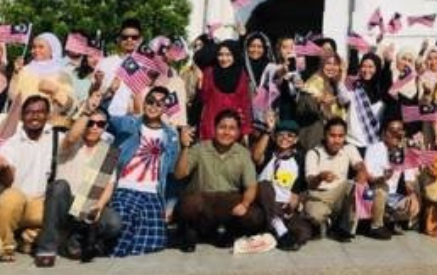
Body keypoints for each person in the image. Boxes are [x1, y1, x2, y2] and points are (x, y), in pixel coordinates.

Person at [34, 103, 121, 264]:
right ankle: (47, 249)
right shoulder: (70, 143)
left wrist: (100, 205)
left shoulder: (107, 151)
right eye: (90, 123)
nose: (94, 127)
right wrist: (87, 112)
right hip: (64, 203)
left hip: (87, 207)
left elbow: (109, 185)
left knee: (114, 222)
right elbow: (72, 136)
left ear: (105, 127)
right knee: (59, 186)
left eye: (100, 124)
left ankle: (76, 237)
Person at [174, 110, 265, 251]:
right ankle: (191, 232)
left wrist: (245, 204)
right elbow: (180, 174)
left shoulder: (243, 153)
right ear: (214, 128)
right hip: (202, 200)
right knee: (188, 204)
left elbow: (251, 186)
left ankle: (228, 232)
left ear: (238, 132)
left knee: (255, 216)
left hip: (228, 202)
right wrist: (185, 147)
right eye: (222, 127)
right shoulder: (200, 148)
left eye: (231, 128)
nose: (226, 132)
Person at [105, 85, 180, 257]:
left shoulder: (171, 136)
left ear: (165, 109)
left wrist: (170, 206)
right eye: (150, 101)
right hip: (125, 188)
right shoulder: (129, 123)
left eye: (160, 104)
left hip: (153, 192)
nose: (154, 106)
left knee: (153, 241)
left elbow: (171, 172)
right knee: (122, 228)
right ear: (144, 103)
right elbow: (111, 117)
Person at [0, 95, 55, 262]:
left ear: (47, 115)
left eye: (40, 112)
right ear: (22, 116)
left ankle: (28, 236)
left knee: (56, 208)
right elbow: (8, 181)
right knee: (10, 197)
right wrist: (4, 167)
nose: (35, 116)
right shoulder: (12, 143)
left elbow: (74, 139)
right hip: (17, 204)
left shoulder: (56, 137)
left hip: (40, 204)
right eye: (29, 112)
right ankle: (8, 246)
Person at [251, 117, 312, 251]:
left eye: (290, 135)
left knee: (304, 233)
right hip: (264, 205)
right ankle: (277, 226)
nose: (285, 138)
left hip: (284, 209)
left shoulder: (299, 159)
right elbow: (256, 157)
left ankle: (276, 234)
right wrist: (268, 131)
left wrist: (296, 201)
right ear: (274, 137)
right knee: (264, 185)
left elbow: (299, 188)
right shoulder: (268, 155)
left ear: (296, 140)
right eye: (281, 135)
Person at [304, 117, 366, 242]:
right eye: (332, 136)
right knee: (314, 215)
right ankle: (328, 222)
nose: (336, 140)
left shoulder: (349, 149)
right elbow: (310, 183)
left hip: (339, 194)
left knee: (354, 186)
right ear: (325, 135)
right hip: (319, 196)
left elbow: (360, 166)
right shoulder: (314, 153)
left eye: (340, 136)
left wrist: (361, 174)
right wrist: (321, 176)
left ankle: (344, 228)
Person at [364, 119, 421, 240]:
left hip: (392, 197)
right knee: (381, 189)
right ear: (384, 133)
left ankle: (387, 221)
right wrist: (382, 178)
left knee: (413, 205)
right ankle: (376, 226)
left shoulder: (405, 153)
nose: (396, 134)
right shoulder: (374, 148)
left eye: (399, 130)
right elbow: (367, 177)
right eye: (392, 131)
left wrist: (412, 194)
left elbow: (409, 181)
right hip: (373, 191)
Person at [6, 33, 75, 127]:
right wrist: (16, 74)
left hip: (49, 126)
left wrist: (56, 91)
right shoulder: (24, 70)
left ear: (52, 50)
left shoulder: (62, 74)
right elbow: (12, 96)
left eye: (41, 47)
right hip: (23, 123)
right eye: (34, 47)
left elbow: (69, 104)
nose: (36, 50)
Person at [196, 40, 253, 142]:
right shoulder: (209, 72)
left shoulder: (241, 75)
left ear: (234, 55)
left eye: (228, 55)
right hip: (211, 125)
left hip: (232, 126)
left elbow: (245, 104)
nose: (224, 58)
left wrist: (245, 131)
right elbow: (203, 98)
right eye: (220, 55)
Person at [297, 53, 348, 151]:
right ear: (321, 65)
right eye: (328, 63)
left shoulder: (333, 83)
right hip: (315, 138)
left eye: (335, 64)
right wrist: (318, 103)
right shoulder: (313, 83)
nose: (332, 67)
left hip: (332, 140)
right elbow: (301, 109)